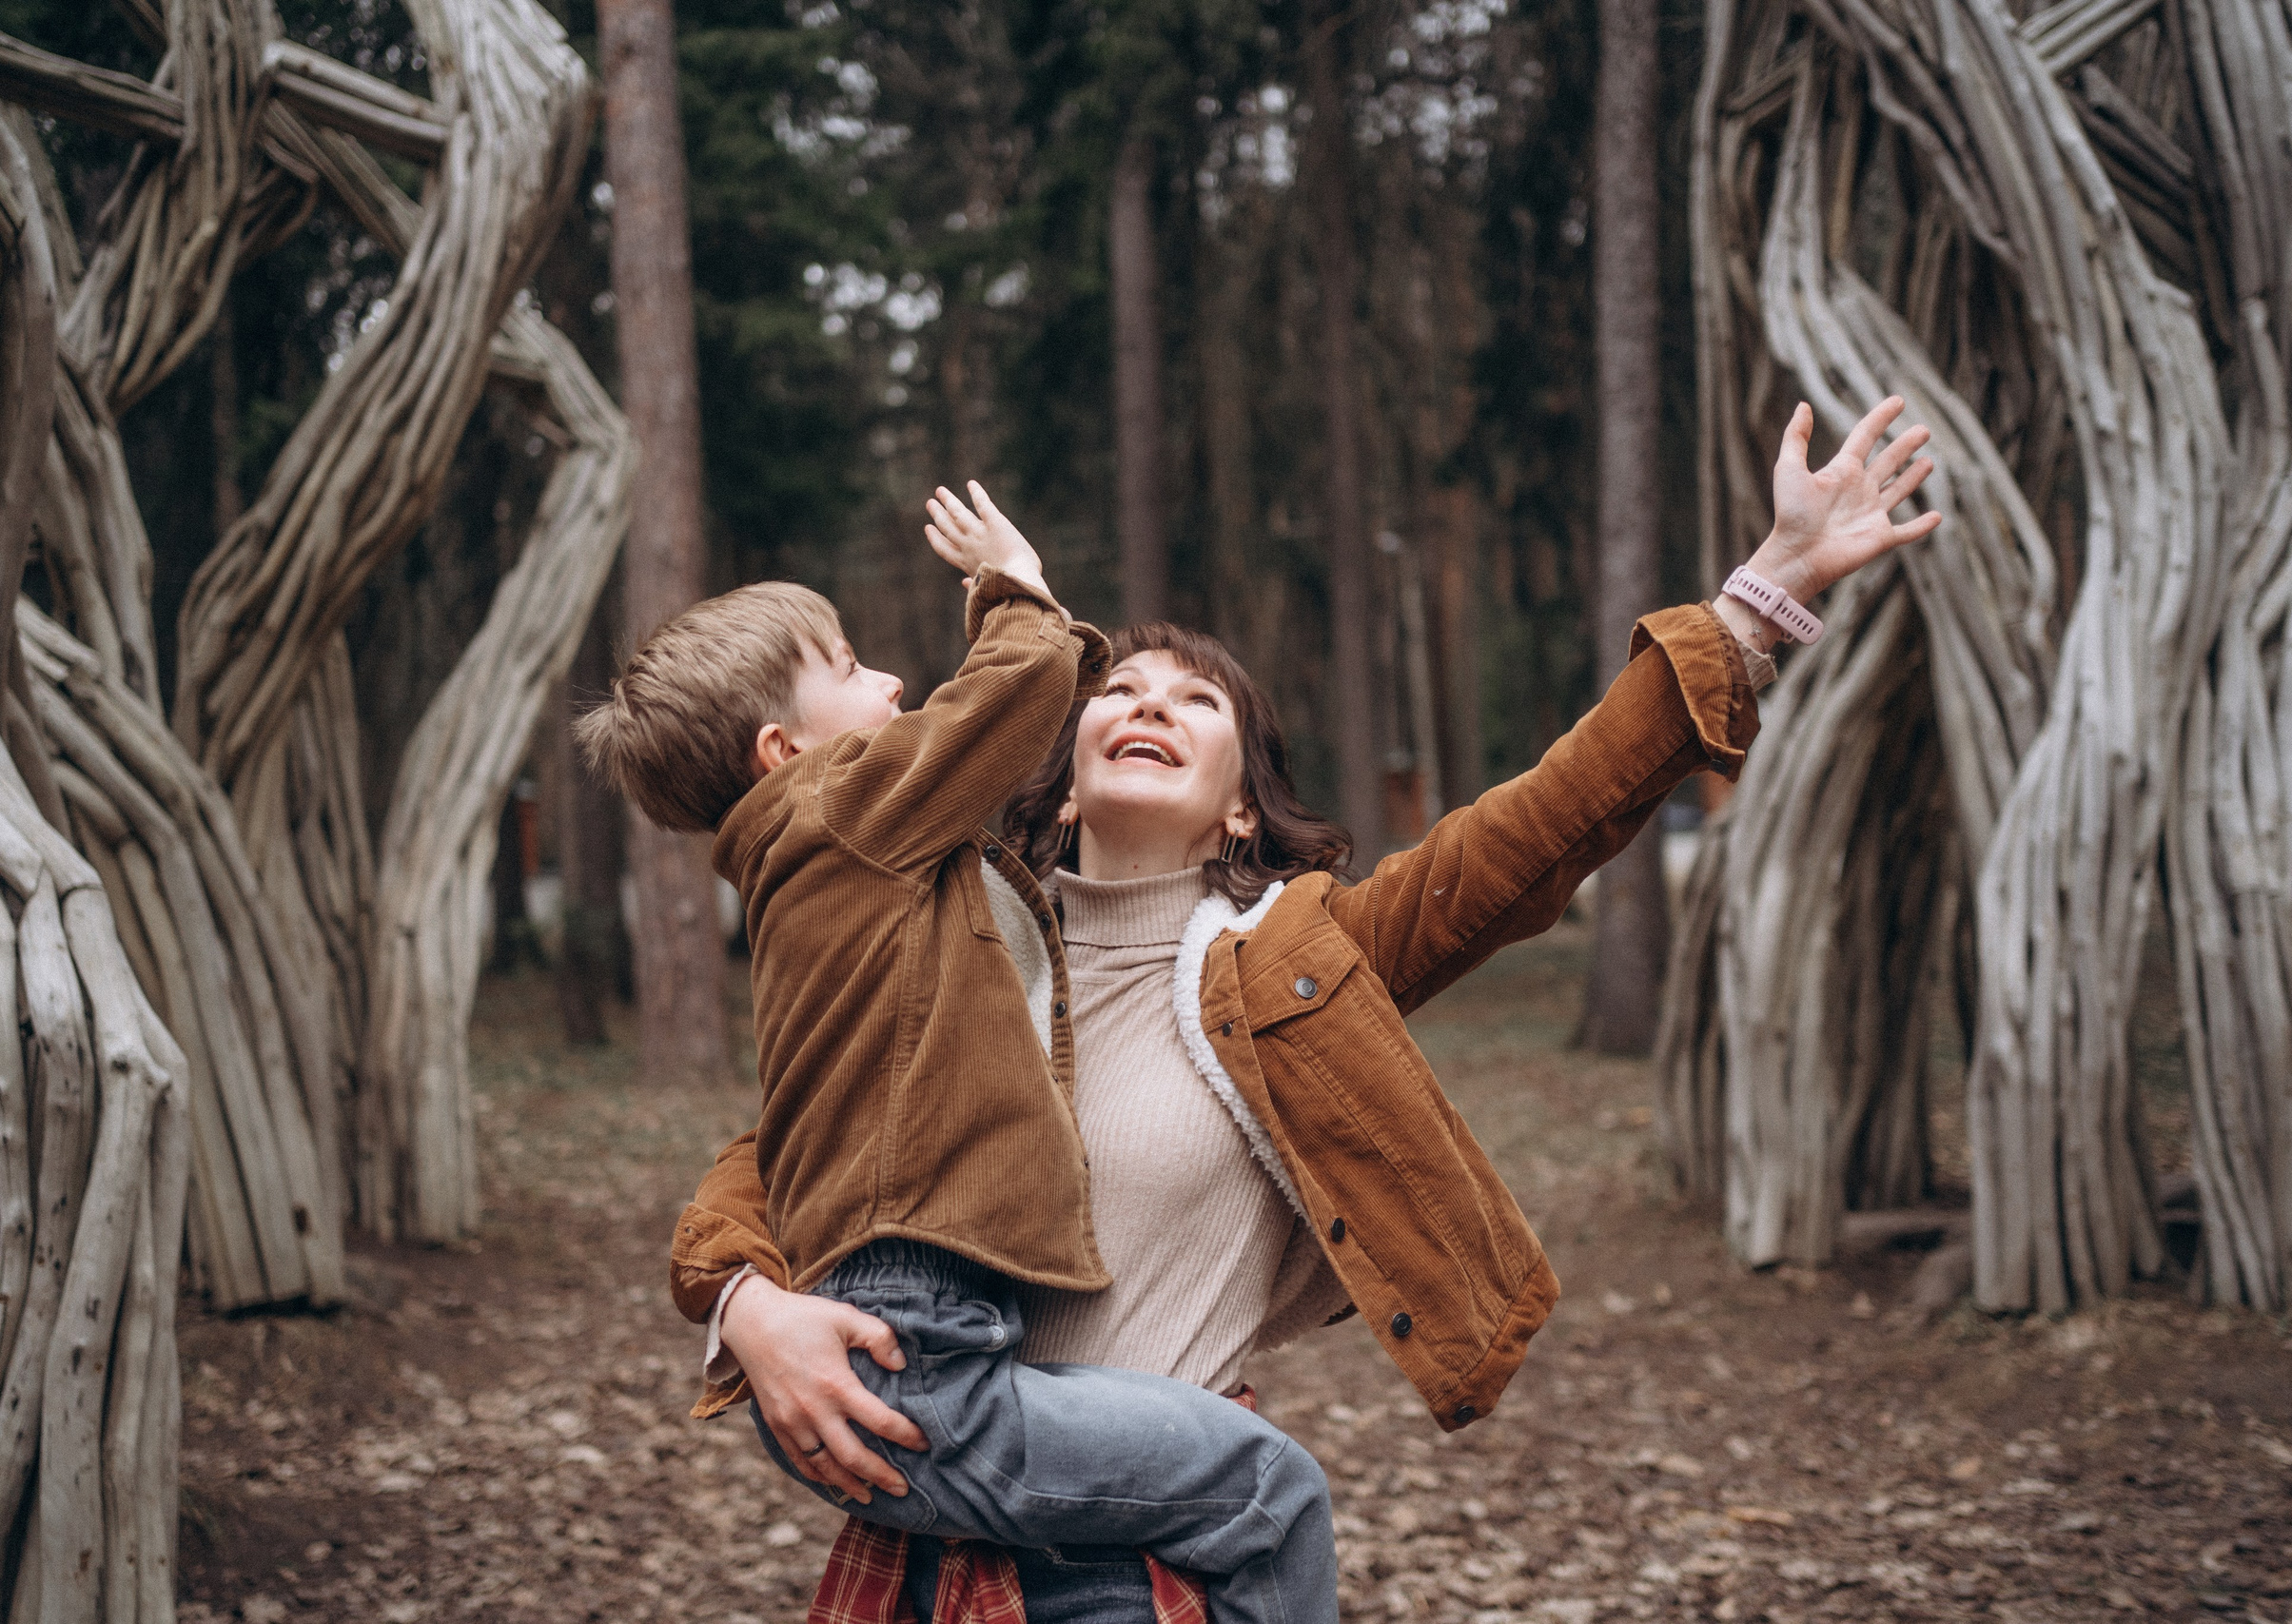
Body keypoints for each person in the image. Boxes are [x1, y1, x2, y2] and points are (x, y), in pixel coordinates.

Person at [675, 398, 1941, 1624]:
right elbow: (775, 1157)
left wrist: (1763, 592)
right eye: (1117, 690)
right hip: (926, 1548)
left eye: (1198, 698)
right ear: (1054, 782)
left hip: (1147, 1556)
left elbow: (1543, 821)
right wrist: (749, 1307)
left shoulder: (1298, 964)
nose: (1151, 702)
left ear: (1239, 805)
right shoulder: (957, 958)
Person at [578, 483, 1345, 1624]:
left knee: (1264, 1485)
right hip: (922, 1355)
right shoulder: (839, 811)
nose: (890, 684)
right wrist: (1011, 585)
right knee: (1272, 1487)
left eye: (1194, 699)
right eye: (849, 667)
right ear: (785, 752)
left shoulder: (856, 900)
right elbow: (1026, 681)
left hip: (904, 1350)